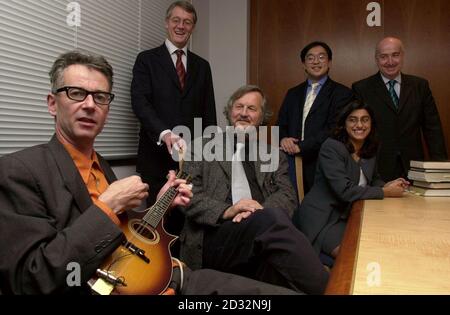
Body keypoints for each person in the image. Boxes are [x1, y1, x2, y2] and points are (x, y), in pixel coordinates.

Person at [0, 51, 298, 295]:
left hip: (160, 274)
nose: (90, 105)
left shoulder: (101, 164)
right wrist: (108, 206)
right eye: (77, 93)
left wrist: (161, 204)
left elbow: (130, 234)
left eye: (100, 97)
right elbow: (30, 279)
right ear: (52, 103)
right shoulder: (19, 170)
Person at [180, 85, 330, 295]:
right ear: (230, 112)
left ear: (262, 117)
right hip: (213, 238)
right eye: (238, 106)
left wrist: (259, 213)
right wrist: (228, 210)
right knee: (270, 222)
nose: (243, 113)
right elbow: (186, 197)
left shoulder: (273, 155)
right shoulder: (200, 147)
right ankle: (336, 288)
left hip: (261, 236)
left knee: (288, 282)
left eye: (251, 108)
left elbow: (287, 195)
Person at [295, 100, 409, 261]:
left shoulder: (371, 147)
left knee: (382, 247)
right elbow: (344, 191)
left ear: (371, 123)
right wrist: (385, 192)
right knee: (355, 258)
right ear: (344, 124)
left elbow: (373, 179)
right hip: (323, 219)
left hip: (351, 214)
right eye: (353, 119)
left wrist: (386, 185)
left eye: (365, 119)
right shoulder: (331, 147)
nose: (359, 125)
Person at [131, 1, 217, 207]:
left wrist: (207, 153)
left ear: (193, 27)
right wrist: (165, 133)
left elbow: (209, 111)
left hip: (192, 161)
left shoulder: (203, 66)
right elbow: (140, 102)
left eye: (187, 22)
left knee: (191, 223)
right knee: (156, 224)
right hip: (155, 158)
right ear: (166, 23)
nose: (181, 26)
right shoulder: (146, 60)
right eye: (176, 20)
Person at [352, 36, 447, 182]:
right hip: (377, 167)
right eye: (384, 57)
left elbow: (432, 128)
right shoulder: (361, 88)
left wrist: (440, 168)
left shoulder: (420, 86)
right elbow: (356, 130)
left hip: (414, 166)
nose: (390, 62)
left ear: (402, 56)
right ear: (376, 59)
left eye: (395, 55)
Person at [277, 41, 353, 195]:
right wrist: (283, 139)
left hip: (324, 161)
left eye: (321, 57)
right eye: (310, 58)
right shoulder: (293, 93)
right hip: (291, 162)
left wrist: (302, 147)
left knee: (318, 209)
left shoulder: (343, 93)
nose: (316, 61)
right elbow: (281, 123)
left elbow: (335, 129)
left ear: (329, 62)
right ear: (304, 64)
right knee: (291, 206)